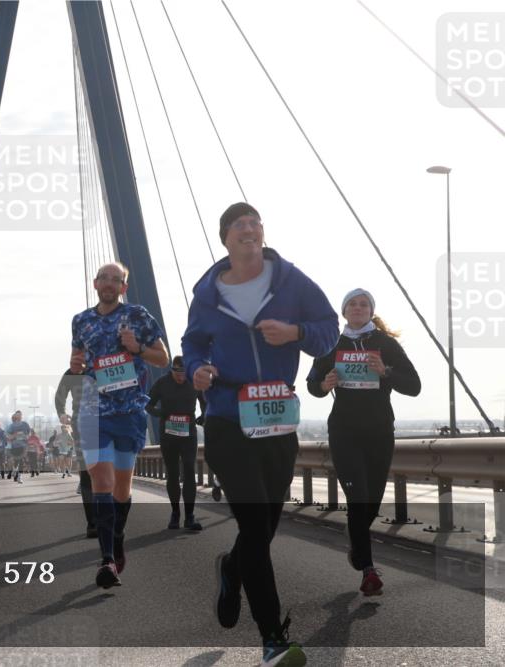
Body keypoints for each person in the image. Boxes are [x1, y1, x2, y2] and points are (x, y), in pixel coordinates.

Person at [183, 203, 337, 667]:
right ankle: (272, 637)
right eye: (239, 225)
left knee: (265, 526)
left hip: (277, 418)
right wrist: (197, 370)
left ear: (262, 233)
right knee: (254, 523)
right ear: (225, 238)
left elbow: (327, 332)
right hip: (228, 417)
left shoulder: (291, 281)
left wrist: (294, 331)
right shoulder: (208, 294)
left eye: (255, 223)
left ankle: (232, 567)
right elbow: (192, 342)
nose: (249, 229)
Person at [307, 288, 420, 596]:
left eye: (364, 304)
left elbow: (415, 386)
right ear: (344, 311)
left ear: (371, 311)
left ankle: (357, 545)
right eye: (352, 304)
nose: (358, 308)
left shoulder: (385, 344)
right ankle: (369, 571)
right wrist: (323, 384)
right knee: (358, 497)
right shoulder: (331, 344)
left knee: (370, 501)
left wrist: (386, 372)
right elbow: (312, 384)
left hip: (379, 432)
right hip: (344, 431)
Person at [72, 262, 169, 588]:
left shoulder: (139, 317)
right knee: (102, 480)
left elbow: (163, 358)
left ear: (123, 287)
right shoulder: (81, 321)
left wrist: (137, 348)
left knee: (121, 488)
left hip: (129, 412)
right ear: (95, 283)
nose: (110, 284)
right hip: (93, 411)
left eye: (117, 280)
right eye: (105, 278)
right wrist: (75, 365)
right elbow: (77, 360)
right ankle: (107, 560)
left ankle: (117, 536)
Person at [145, 355, 206, 531]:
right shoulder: (162, 383)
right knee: (172, 473)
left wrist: (203, 416)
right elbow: (147, 404)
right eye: (177, 373)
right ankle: (175, 514)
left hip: (188, 435)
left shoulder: (194, 381)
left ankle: (189, 516)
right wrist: (160, 414)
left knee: (188, 470)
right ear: (172, 370)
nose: (181, 377)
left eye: (183, 373)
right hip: (168, 435)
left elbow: (205, 404)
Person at [55, 367, 96, 538]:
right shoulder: (72, 372)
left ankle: (110, 518)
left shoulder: (107, 360)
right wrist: (62, 414)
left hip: (109, 420)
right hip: (82, 422)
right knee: (87, 471)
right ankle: (92, 523)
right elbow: (59, 397)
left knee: (108, 473)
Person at [6, 411, 32, 483]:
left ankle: (19, 477)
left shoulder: (25, 424)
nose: (19, 416)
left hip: (23, 445)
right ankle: (14, 469)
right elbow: (8, 436)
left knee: (21, 460)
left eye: (20, 415)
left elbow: (29, 433)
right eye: (17, 415)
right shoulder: (12, 426)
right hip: (15, 446)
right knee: (16, 460)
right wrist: (14, 435)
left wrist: (27, 436)